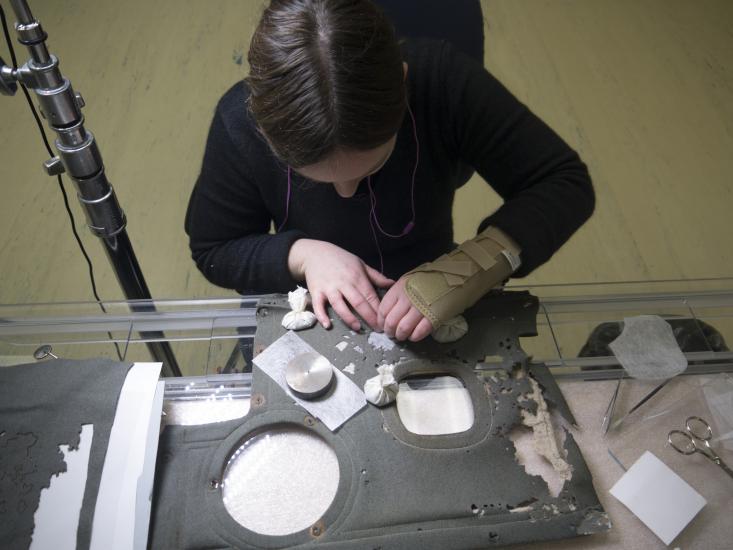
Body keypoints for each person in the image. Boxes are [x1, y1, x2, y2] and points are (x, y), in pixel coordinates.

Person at [185, 0, 594, 343]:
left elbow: (564, 182)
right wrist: (304, 255)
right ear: (263, 126)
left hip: (429, 273)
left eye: (372, 165)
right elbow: (215, 248)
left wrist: (472, 267)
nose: (347, 193)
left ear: (402, 83)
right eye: (313, 176)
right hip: (310, 289)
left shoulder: (441, 82)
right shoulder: (240, 121)